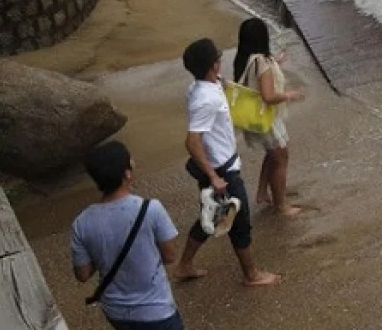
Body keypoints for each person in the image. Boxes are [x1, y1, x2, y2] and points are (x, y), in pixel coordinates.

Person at [172, 38, 281, 287]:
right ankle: (251, 274)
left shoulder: (200, 87)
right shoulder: (206, 99)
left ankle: (184, 266)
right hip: (222, 172)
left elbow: (218, 89)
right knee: (239, 224)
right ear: (214, 65)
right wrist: (213, 176)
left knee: (211, 216)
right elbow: (192, 141)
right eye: (219, 58)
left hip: (220, 166)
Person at [71, 141, 185, 330]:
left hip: (116, 311)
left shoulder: (81, 223)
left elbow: (83, 274)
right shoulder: (151, 209)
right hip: (156, 309)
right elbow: (170, 256)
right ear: (127, 174)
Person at [234, 18, 305, 216]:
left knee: (273, 154)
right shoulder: (262, 62)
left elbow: (260, 75)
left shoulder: (246, 58)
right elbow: (268, 96)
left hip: (256, 118)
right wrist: (290, 95)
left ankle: (263, 192)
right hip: (266, 118)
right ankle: (280, 206)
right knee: (280, 157)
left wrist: (276, 60)